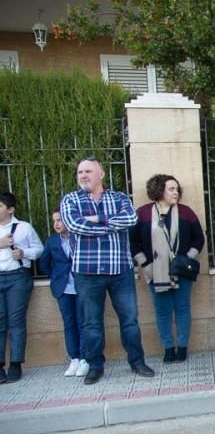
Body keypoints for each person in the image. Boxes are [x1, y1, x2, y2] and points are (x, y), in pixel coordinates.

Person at [60, 158, 154, 384]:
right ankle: (95, 366)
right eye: (80, 171)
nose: (83, 175)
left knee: (130, 320)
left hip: (120, 270)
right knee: (91, 323)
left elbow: (131, 219)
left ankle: (137, 361)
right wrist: (111, 224)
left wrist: (96, 220)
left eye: (88, 171)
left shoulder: (120, 198)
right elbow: (74, 226)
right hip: (86, 272)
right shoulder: (70, 199)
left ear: (100, 174)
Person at [130, 175, 205, 364]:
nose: (175, 192)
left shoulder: (186, 212)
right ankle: (168, 348)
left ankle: (182, 347)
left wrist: (186, 258)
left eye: (177, 189)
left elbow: (199, 238)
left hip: (182, 271)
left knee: (182, 308)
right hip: (155, 272)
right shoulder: (143, 214)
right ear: (159, 190)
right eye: (171, 189)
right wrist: (145, 264)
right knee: (162, 311)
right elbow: (133, 242)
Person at [0, 192, 42, 384]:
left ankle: (16, 364)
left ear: (10, 209)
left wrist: (24, 253)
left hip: (17, 277)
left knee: (16, 321)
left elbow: (39, 249)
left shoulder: (24, 228)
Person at [38, 211, 86, 378]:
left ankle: (85, 358)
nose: (56, 224)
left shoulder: (79, 237)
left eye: (60, 220)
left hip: (82, 287)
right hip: (63, 289)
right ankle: (74, 357)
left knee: (83, 322)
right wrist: (56, 276)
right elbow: (43, 263)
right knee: (69, 323)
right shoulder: (51, 241)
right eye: (54, 221)